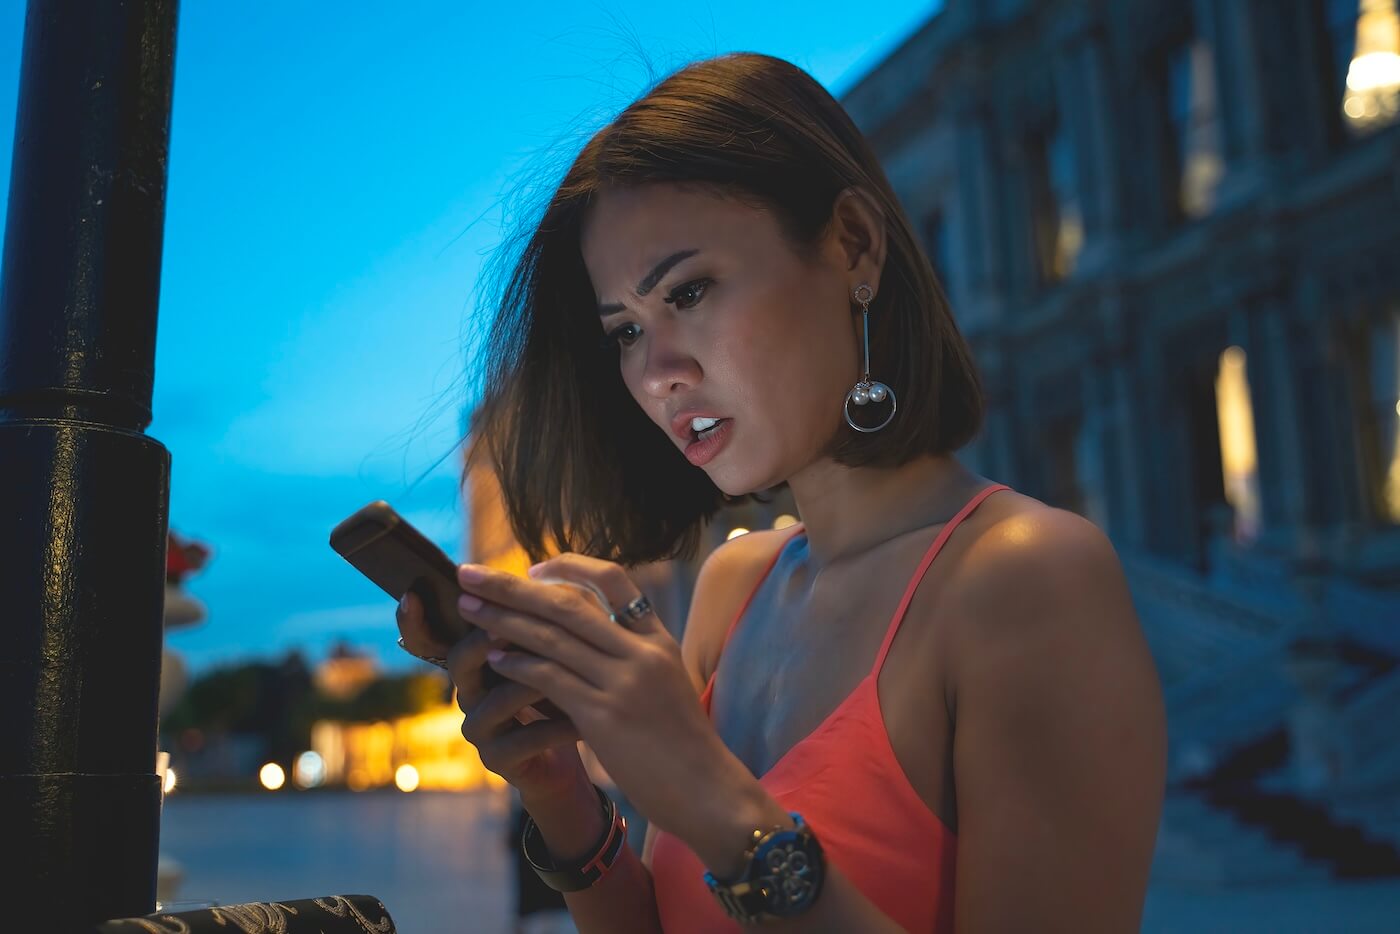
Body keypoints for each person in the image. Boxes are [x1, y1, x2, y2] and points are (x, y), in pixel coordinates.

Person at [397, 52, 1166, 932]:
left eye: (689, 291)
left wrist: (712, 799)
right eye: (625, 332)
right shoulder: (736, 587)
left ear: (852, 247)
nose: (657, 374)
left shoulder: (1025, 578)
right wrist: (561, 792)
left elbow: (729, 837)